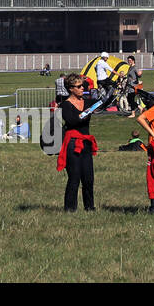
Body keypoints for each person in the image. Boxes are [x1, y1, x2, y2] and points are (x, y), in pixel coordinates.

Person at [58, 75, 96, 212]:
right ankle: (70, 209)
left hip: (86, 143)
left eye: (83, 86)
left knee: (88, 178)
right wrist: (88, 111)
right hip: (72, 144)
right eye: (79, 86)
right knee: (74, 178)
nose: (82, 89)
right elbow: (73, 121)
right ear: (70, 89)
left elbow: (103, 102)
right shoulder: (65, 105)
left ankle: (90, 208)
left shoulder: (86, 102)